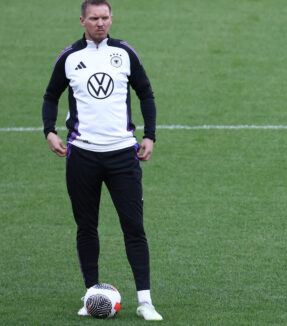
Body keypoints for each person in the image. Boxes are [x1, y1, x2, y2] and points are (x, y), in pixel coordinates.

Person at [42, 0, 162, 321]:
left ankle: (145, 301)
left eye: (105, 17)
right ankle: (92, 294)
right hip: (82, 155)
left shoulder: (124, 53)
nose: (100, 23)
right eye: (94, 18)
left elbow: (146, 92)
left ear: (112, 18)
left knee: (133, 226)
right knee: (86, 227)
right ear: (82, 20)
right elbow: (51, 96)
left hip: (123, 154)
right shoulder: (69, 58)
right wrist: (49, 132)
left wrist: (149, 136)